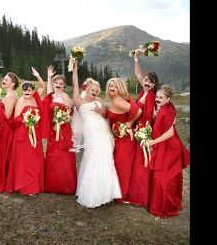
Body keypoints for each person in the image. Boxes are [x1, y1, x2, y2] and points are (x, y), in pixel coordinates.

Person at [72, 59, 122, 207]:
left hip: (103, 131)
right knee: (94, 156)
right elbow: (75, 84)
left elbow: (105, 115)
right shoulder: (79, 101)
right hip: (91, 133)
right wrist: (75, 67)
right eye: (92, 89)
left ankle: (106, 192)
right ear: (86, 88)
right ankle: (92, 193)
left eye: (96, 90)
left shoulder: (99, 99)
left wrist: (100, 111)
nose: (94, 92)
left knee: (106, 157)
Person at [145, 85, 190, 217]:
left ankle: (165, 207)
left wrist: (152, 142)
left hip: (170, 148)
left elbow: (170, 133)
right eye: (157, 97)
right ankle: (159, 205)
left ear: (168, 99)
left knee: (164, 178)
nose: (157, 99)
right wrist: (155, 116)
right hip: (163, 146)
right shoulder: (163, 108)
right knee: (160, 177)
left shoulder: (169, 110)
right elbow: (162, 125)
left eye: (161, 97)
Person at [5, 67, 46, 196]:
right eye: (24, 90)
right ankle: (26, 187)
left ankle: (36, 185)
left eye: (29, 90)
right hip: (23, 134)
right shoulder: (20, 101)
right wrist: (26, 120)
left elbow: (43, 86)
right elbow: (15, 119)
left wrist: (38, 75)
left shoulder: (36, 98)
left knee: (36, 158)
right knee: (25, 161)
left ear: (33, 91)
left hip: (35, 134)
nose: (26, 92)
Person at [126, 48, 160, 207]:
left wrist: (144, 132)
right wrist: (136, 60)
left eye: (150, 82)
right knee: (135, 163)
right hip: (137, 128)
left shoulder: (152, 96)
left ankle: (140, 197)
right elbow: (139, 75)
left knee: (142, 164)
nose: (146, 82)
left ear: (154, 85)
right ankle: (134, 193)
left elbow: (150, 116)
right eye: (145, 80)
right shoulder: (144, 91)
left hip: (144, 132)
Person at [105, 77, 142, 203]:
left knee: (122, 167)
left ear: (120, 88)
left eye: (115, 86)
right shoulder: (114, 100)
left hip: (125, 139)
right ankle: (117, 192)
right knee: (118, 165)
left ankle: (121, 195)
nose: (112, 87)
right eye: (110, 85)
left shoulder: (118, 101)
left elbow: (138, 110)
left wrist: (130, 123)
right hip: (118, 138)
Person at [42, 65, 77, 194]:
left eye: (60, 83)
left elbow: (70, 113)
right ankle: (52, 185)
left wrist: (62, 119)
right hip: (53, 130)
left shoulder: (65, 97)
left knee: (63, 157)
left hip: (63, 130)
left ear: (64, 86)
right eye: (56, 83)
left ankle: (65, 186)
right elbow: (49, 89)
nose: (58, 85)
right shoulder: (51, 96)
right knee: (52, 156)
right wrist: (49, 76)